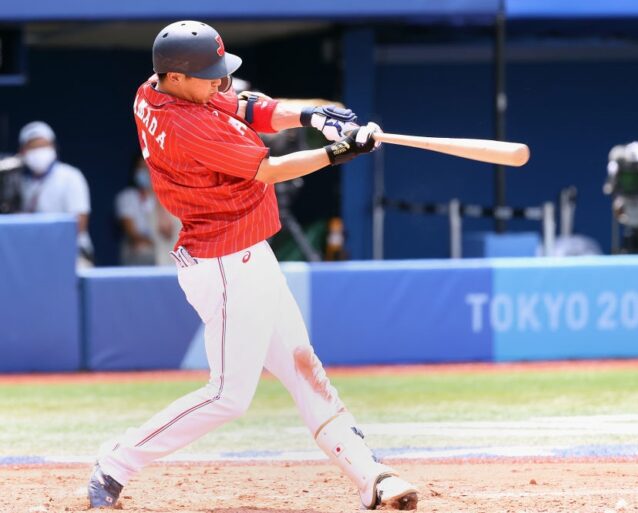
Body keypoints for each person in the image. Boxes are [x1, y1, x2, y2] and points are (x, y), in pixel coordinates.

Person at [87, 20, 418, 511]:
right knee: (228, 395)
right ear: (176, 78)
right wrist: (337, 151)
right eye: (210, 74)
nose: (220, 82)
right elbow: (270, 170)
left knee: (304, 367)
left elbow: (247, 106)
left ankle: (369, 475)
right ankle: (115, 464)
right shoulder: (185, 123)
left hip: (245, 254)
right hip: (224, 262)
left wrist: (315, 115)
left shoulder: (158, 88)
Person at [18, 121, 94, 265]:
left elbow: (79, 224)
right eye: (33, 147)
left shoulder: (71, 176)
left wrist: (46, 243)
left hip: (72, 253)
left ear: (53, 147)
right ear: (23, 151)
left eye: (43, 145)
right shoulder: (18, 182)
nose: (38, 151)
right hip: (30, 255)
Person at [115, 156, 156, 265]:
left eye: (147, 168)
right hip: (138, 248)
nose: (145, 172)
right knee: (141, 249)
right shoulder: (127, 197)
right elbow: (132, 233)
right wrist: (156, 243)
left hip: (164, 247)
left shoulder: (165, 196)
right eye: (141, 168)